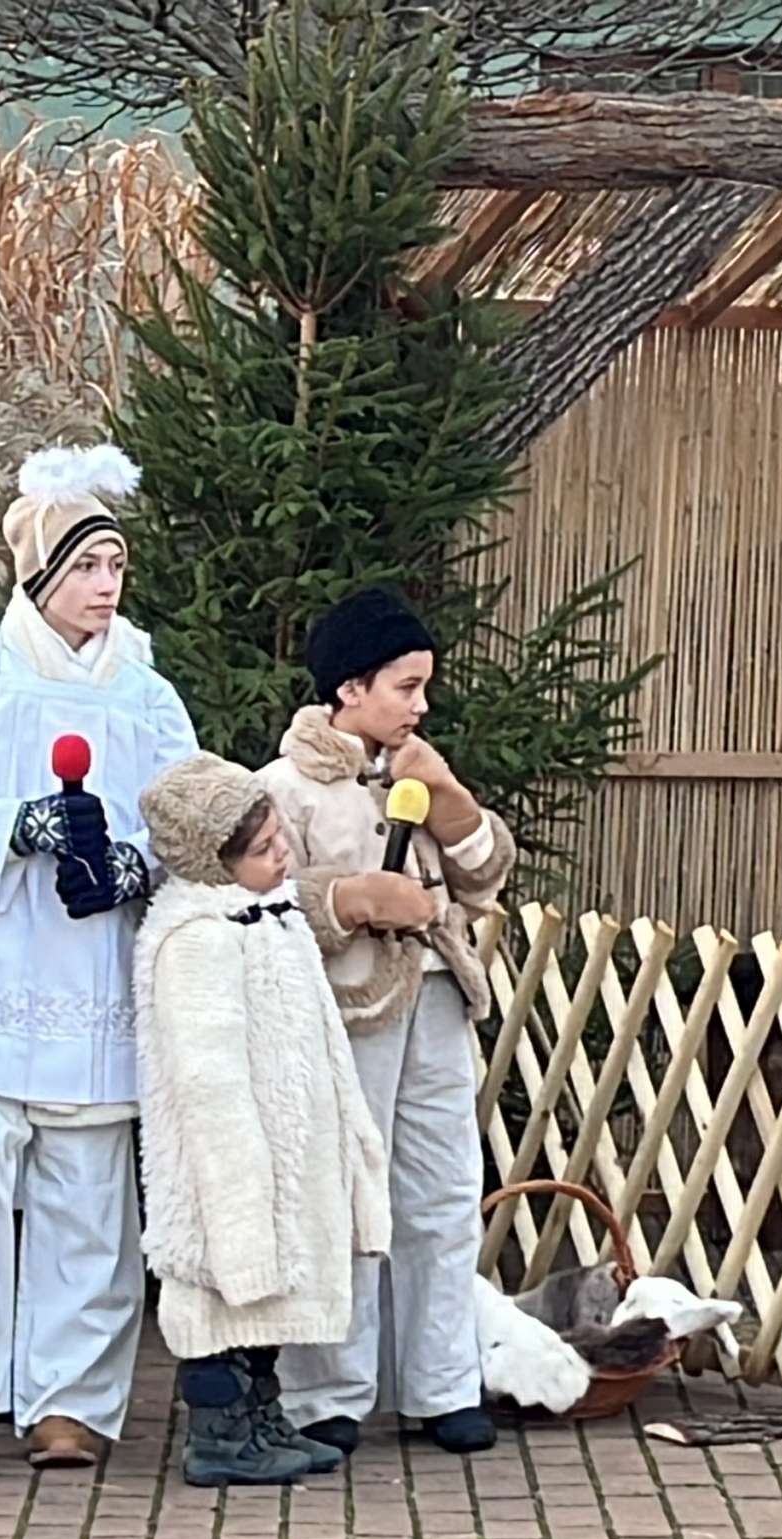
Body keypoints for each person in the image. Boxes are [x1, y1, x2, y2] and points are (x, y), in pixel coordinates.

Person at [0, 444, 194, 1467]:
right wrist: (15, 827)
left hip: (93, 980)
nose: (107, 586)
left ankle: (72, 1398)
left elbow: (186, 816)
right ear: (42, 572)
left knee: (88, 1193)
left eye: (118, 566)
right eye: (88, 566)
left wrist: (130, 867)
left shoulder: (146, 695)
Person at [265, 587, 515, 1455]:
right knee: (343, 1188)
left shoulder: (420, 769)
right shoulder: (285, 788)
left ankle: (441, 1381)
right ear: (350, 687)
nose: (421, 705)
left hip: (436, 996)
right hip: (348, 1008)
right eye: (406, 686)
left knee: (442, 1187)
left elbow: (483, 874)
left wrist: (446, 796)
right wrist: (351, 899)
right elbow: (259, 897)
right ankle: (326, 1388)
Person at [135, 752, 393, 1487]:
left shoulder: (271, 916)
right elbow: (207, 1079)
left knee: (266, 1311)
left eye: (281, 838)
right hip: (228, 1164)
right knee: (220, 1299)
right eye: (263, 849)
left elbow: (323, 1037)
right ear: (211, 861)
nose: (283, 856)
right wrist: (238, 1191)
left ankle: (260, 1414)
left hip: (287, 1148)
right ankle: (218, 1435)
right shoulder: (197, 939)